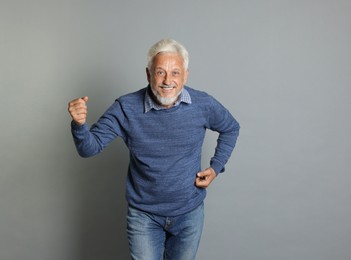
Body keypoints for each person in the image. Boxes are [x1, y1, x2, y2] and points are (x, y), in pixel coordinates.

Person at [68, 38, 240, 260]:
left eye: (175, 73)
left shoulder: (203, 104)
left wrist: (216, 167)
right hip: (143, 216)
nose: (168, 80)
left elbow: (231, 128)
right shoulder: (126, 107)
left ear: (185, 75)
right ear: (148, 74)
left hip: (189, 214)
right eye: (160, 72)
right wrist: (79, 125)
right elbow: (89, 149)